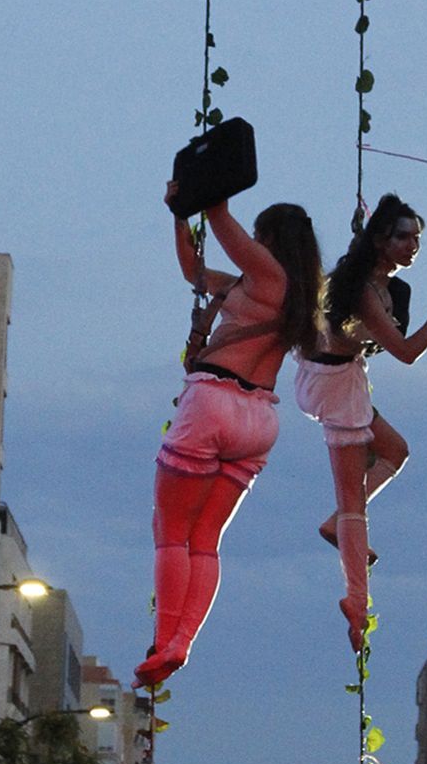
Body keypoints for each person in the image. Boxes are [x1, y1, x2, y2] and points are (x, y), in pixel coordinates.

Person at [135, 183, 322, 686]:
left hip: (213, 401)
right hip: (259, 421)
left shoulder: (266, 275)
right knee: (206, 540)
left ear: (268, 238)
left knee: (172, 531)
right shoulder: (291, 295)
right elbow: (193, 272)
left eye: (259, 235)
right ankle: (181, 643)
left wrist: (205, 186)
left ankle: (165, 638)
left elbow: (220, 219)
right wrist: (178, 217)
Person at [295, 194, 427, 648]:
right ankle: (356, 598)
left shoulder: (375, 284)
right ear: (381, 242)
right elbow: (407, 353)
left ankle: (337, 527)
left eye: (416, 238)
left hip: (341, 378)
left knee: (395, 451)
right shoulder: (366, 293)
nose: (413, 246)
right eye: (404, 237)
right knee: (353, 503)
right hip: (334, 385)